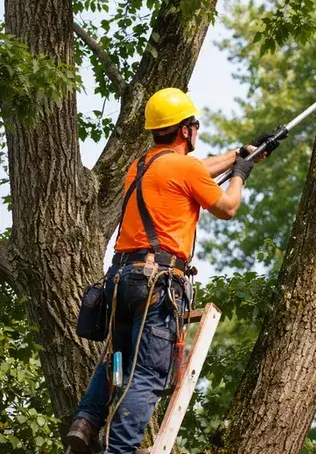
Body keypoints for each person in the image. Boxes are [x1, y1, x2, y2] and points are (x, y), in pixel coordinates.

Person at [65, 88, 275, 453]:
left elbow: (194, 171)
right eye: (194, 125)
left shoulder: (142, 165)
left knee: (118, 357)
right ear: (185, 130)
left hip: (122, 281)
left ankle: (85, 421)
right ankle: (120, 450)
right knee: (147, 374)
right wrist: (241, 173)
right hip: (158, 285)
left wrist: (239, 155)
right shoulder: (185, 168)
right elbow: (226, 206)